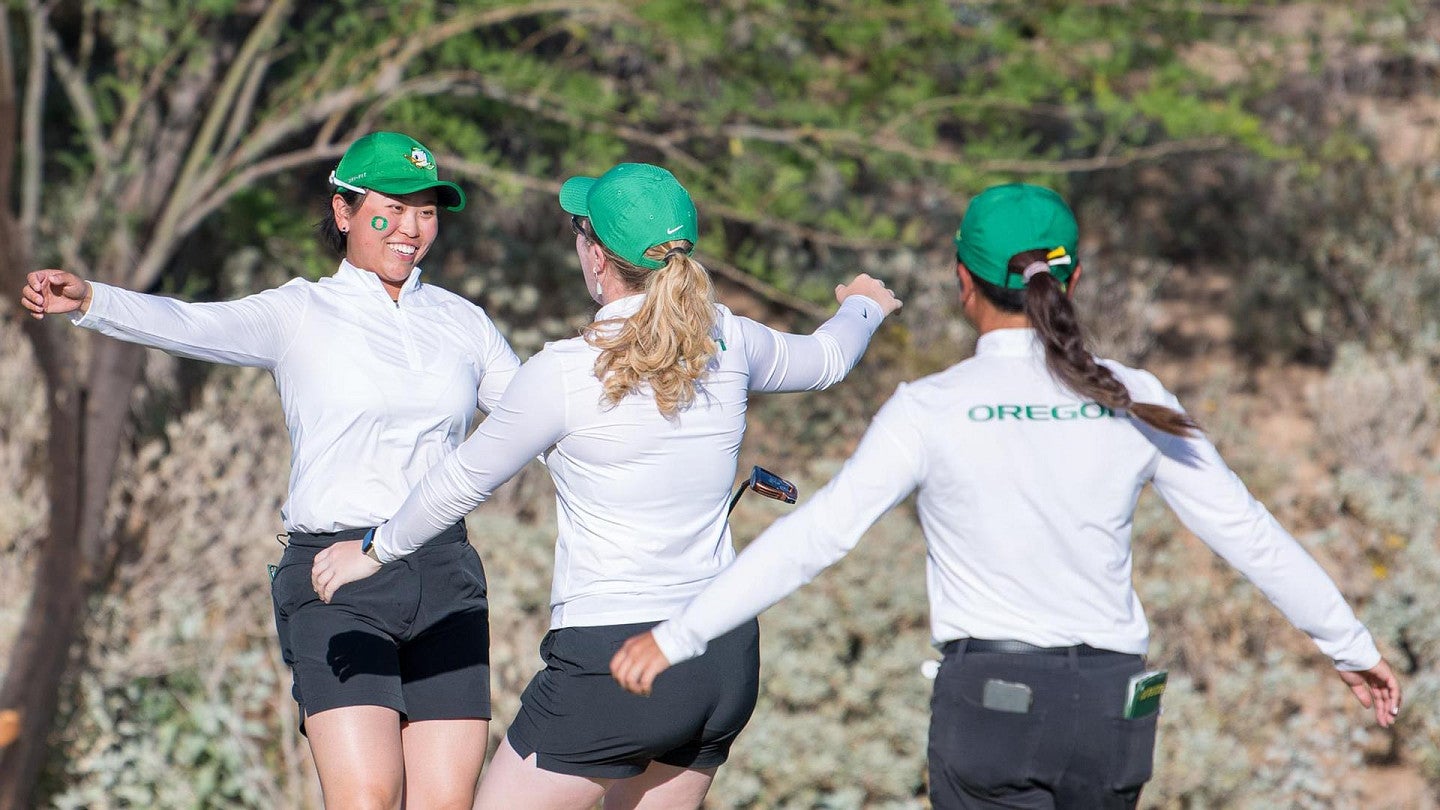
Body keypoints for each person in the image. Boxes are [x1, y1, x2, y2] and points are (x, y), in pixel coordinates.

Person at [610, 183, 1402, 809]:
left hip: (991, 709)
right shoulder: (1136, 394)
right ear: (1074, 278)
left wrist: (681, 634)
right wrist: (1350, 645)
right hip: (1113, 711)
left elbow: (820, 535)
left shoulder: (933, 405)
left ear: (964, 282)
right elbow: (1248, 533)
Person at [310, 161, 902, 809]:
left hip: (612, 665)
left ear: (596, 256)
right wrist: (864, 306)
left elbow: (459, 482)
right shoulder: (730, 338)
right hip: (722, 658)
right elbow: (829, 359)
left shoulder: (566, 371)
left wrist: (369, 550)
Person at [20, 131, 520, 810]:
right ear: (343, 213)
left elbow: (533, 420)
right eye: (392, 208)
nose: (411, 228)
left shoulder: (464, 321)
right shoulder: (299, 312)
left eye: (427, 211)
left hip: (445, 574)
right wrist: (91, 300)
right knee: (369, 799)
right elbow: (189, 324)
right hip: (335, 576)